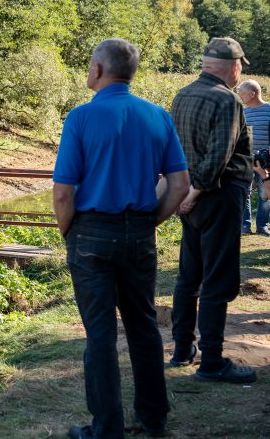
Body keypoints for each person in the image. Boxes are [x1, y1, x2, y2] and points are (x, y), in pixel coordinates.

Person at [54, 39, 189, 439]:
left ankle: (106, 428)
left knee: (100, 335)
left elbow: (63, 193)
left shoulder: (80, 118)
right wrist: (151, 223)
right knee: (143, 326)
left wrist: (69, 232)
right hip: (139, 231)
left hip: (91, 233)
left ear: (97, 69)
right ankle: (154, 418)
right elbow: (179, 186)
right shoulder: (157, 116)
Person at [170, 36, 256, 384]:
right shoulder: (227, 100)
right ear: (234, 67)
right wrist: (195, 192)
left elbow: (173, 148)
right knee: (217, 280)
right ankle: (213, 362)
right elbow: (219, 157)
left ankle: (181, 350)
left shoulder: (182, 94)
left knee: (188, 277)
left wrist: (182, 193)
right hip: (217, 195)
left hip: (189, 196)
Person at [238, 79, 270, 236]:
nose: (239, 95)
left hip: (266, 160)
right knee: (245, 191)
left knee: (265, 193)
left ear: (252, 94)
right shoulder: (243, 113)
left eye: (241, 92)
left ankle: (262, 226)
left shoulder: (269, 109)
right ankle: (245, 226)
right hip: (247, 159)